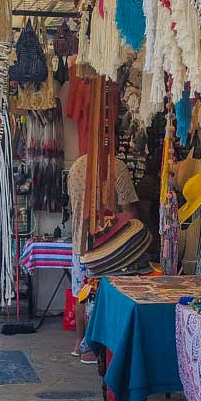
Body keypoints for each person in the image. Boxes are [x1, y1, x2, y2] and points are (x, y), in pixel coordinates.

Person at [67, 153, 139, 360]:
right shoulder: (117, 166)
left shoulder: (76, 166)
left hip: (80, 241)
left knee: (82, 292)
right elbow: (128, 212)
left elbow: (74, 206)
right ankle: (94, 348)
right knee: (104, 294)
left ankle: (80, 342)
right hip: (108, 245)